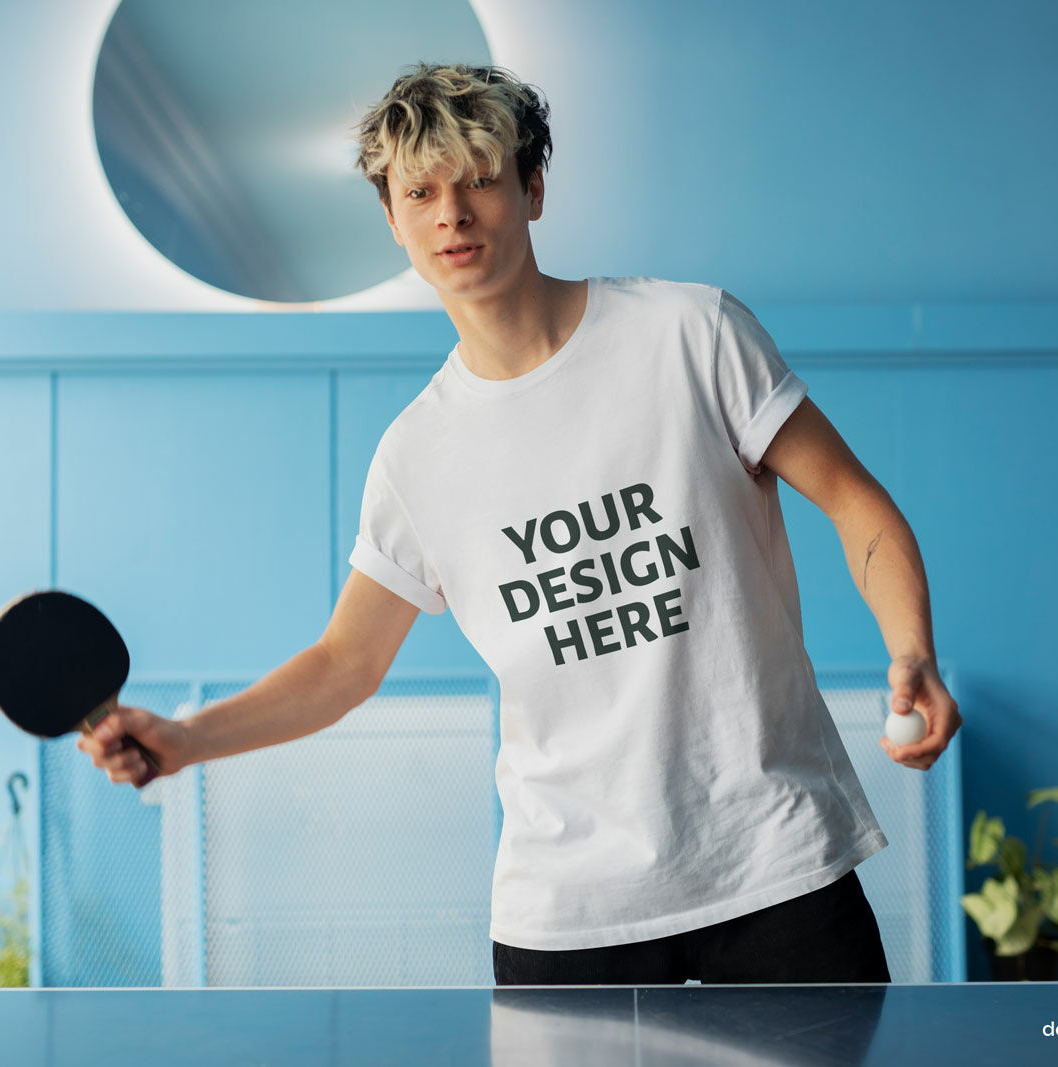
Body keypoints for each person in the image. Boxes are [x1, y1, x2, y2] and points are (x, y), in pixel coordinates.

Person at [78, 63, 961, 986]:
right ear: (395, 221)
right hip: (569, 911)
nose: (452, 213)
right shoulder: (415, 454)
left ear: (533, 188)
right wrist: (185, 739)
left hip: (778, 865)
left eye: (480, 179)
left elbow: (857, 503)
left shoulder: (690, 333)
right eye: (420, 192)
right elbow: (345, 662)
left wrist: (913, 648)